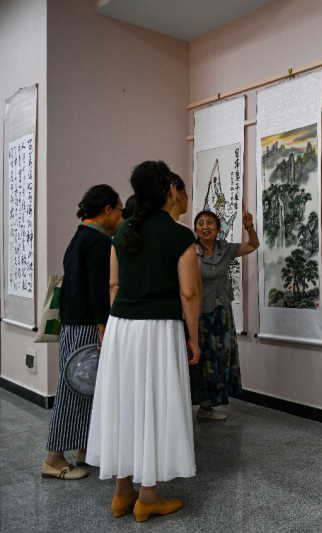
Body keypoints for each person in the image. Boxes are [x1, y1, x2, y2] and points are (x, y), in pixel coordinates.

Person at [86, 161, 201, 521]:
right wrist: (193, 337)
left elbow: (113, 285)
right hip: (158, 329)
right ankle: (148, 497)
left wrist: (117, 326)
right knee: (155, 403)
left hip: (121, 327)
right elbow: (189, 293)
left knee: (125, 402)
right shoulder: (180, 235)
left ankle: (123, 493)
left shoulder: (123, 230)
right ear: (170, 189)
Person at [42, 185, 123, 480]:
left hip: (73, 323)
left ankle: (84, 448)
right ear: (107, 210)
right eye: (119, 210)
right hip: (88, 325)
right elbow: (99, 290)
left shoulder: (80, 237)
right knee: (74, 388)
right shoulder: (99, 242)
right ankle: (53, 458)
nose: (121, 216)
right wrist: (104, 327)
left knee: (85, 387)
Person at [190, 208, 259, 419]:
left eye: (209, 222)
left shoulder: (225, 248)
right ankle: (196, 402)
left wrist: (249, 227)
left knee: (221, 357)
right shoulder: (191, 250)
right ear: (195, 229)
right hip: (200, 314)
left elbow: (253, 245)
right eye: (200, 223)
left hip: (223, 313)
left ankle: (208, 407)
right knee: (203, 358)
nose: (205, 226)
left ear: (218, 228)